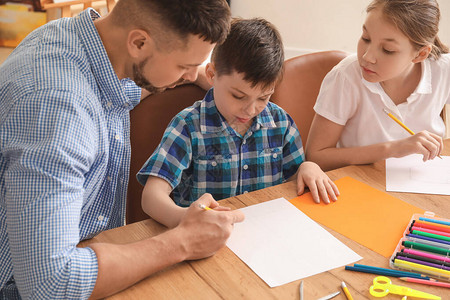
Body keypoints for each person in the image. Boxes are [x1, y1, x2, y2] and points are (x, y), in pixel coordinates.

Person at [0, 0, 246, 298]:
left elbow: (116, 92)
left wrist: (219, 85)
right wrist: (183, 241)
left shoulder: (76, 39)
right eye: (184, 65)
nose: (192, 77)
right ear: (139, 42)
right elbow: (51, 285)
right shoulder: (58, 108)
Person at [137, 18, 339, 228]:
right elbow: (151, 196)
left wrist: (308, 167)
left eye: (263, 98)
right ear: (212, 75)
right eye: (238, 96)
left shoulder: (281, 123)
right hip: (203, 239)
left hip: (265, 234)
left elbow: (292, 181)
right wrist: (185, 219)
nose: (251, 110)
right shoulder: (188, 126)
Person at [306, 0, 449, 171]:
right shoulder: (345, 77)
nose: (367, 57)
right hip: (362, 181)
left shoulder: (443, 69)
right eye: (366, 38)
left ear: (421, 54)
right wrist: (394, 148)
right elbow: (315, 156)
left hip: (426, 179)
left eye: (387, 49)